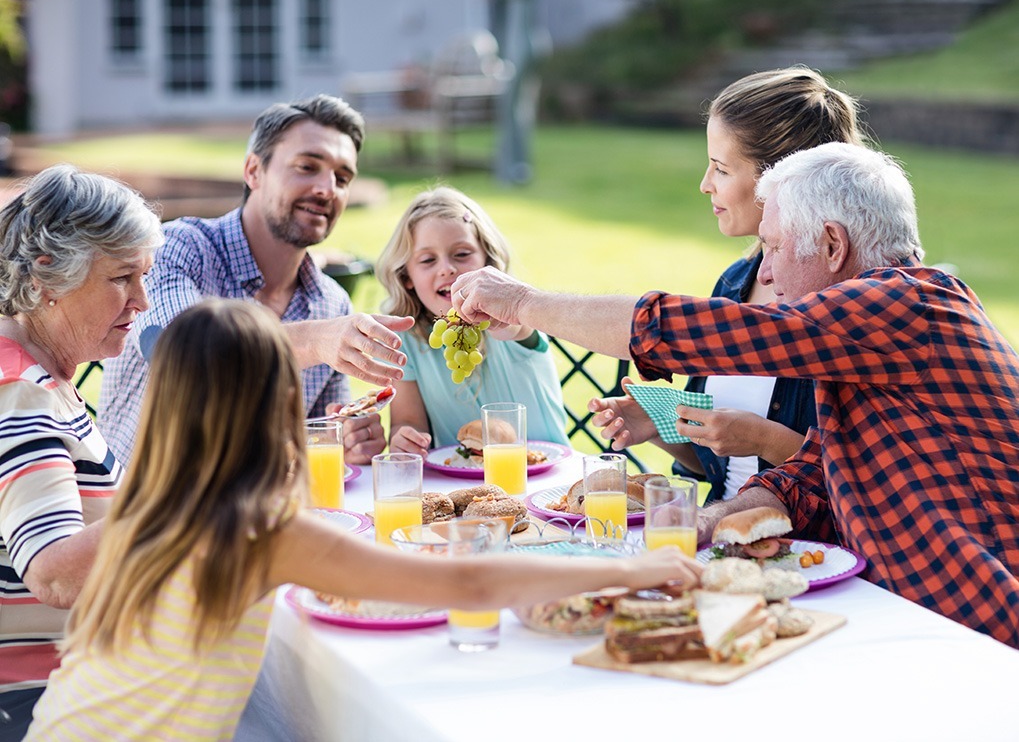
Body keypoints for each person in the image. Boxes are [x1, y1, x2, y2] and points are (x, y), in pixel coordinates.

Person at [25, 298, 700, 740]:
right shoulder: (256, 530)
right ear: (277, 398)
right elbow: (465, 586)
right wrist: (630, 565)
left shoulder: (162, 503)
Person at [450, 142, 1019, 648]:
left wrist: (524, 304)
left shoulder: (902, 306)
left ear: (831, 244)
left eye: (771, 248)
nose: (764, 272)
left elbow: (688, 331)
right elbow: (809, 475)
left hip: (978, 636)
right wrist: (703, 521)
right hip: (912, 624)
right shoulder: (869, 338)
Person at [589, 67, 869, 504]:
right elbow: (721, 463)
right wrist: (661, 425)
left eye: (720, 168)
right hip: (725, 538)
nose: (704, 185)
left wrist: (764, 439)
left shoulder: (847, 306)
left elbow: (862, 480)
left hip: (816, 554)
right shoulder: (736, 282)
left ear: (780, 179)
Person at [97, 94, 414, 467]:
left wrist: (346, 442)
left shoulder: (330, 302)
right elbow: (175, 353)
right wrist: (314, 341)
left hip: (254, 512)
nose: (327, 189)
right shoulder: (180, 249)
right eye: (307, 166)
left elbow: (314, 445)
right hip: (144, 510)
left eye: (342, 177)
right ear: (253, 171)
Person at [0, 164, 162, 739]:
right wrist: (191, 494)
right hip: (40, 706)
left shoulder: (39, 374)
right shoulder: (20, 392)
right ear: (48, 276)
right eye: (122, 277)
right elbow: (55, 573)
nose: (142, 300)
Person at [376, 186, 568, 455]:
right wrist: (404, 438)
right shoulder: (406, 341)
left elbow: (517, 326)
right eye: (428, 259)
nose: (447, 268)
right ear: (407, 278)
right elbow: (408, 423)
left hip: (547, 474)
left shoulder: (512, 317)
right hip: (461, 482)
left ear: (488, 262)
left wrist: (490, 306)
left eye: (462, 254)